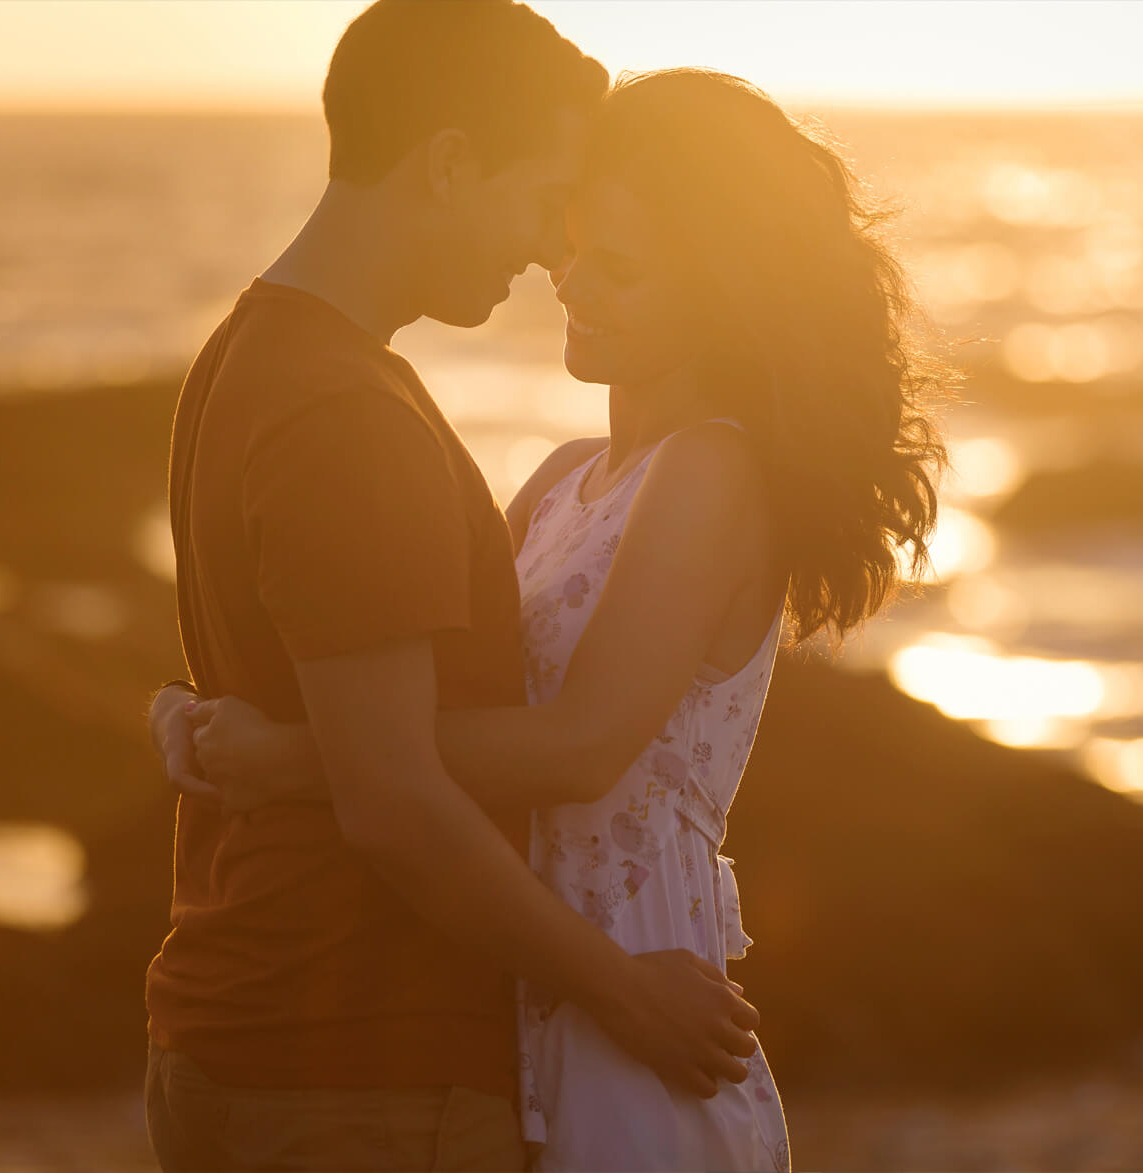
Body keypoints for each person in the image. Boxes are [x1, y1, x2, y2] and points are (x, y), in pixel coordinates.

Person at [158, 67, 952, 1171]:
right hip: (528, 973)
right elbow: (408, 688)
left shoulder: (712, 471)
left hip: (636, 976)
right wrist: (199, 711)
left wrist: (287, 759)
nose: (571, 283)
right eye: (573, 245)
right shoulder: (562, 478)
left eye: (621, 268)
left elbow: (579, 745)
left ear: (718, 294)